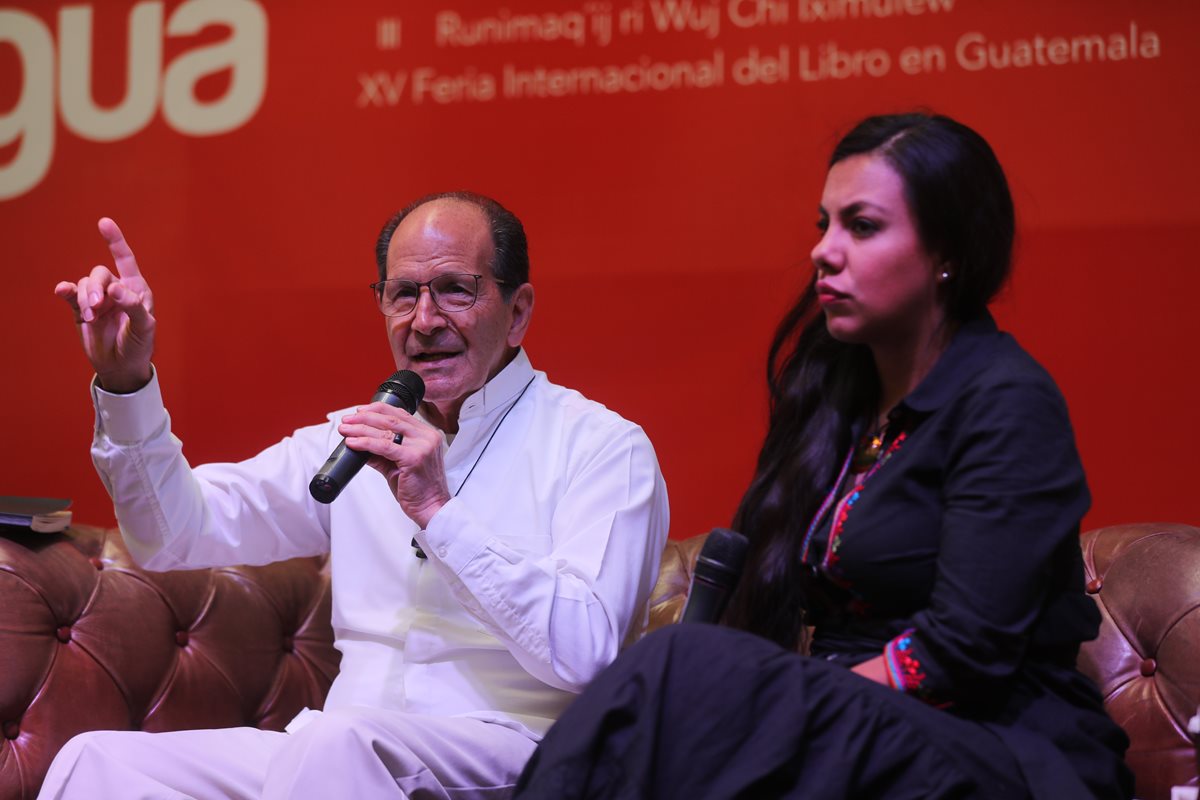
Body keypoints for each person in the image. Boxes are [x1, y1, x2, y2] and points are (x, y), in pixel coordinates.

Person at [513, 114, 1134, 799]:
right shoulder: (835, 394)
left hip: (993, 746)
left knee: (675, 669)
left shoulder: (1007, 401)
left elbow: (961, 655)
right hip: (847, 723)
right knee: (673, 698)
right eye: (824, 224)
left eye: (861, 227)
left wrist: (774, 703)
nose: (824, 251)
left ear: (947, 252)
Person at [42, 192, 670, 799]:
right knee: (96, 763)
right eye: (403, 295)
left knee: (338, 744)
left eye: (455, 289)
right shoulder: (355, 437)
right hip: (338, 750)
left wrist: (437, 514)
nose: (424, 321)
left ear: (519, 310)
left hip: (518, 751)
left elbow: (587, 654)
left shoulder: (603, 447)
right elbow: (173, 534)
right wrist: (126, 385)